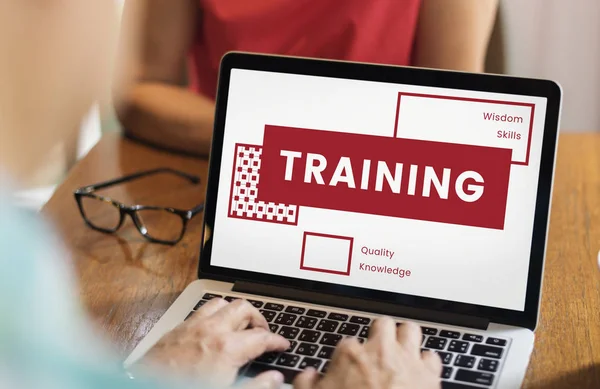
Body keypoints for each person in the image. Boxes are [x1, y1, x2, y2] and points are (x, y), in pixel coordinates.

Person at [0, 1, 442, 389]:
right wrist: (284, 143)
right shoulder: (22, 270)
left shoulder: (22, 261)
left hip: (394, 212)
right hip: (249, 204)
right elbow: (140, 89)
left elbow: (452, 105)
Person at [115, 0, 498, 157]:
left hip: (380, 186)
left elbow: (453, 118)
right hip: (228, 183)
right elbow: (140, 90)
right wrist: (281, 146)